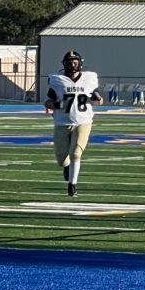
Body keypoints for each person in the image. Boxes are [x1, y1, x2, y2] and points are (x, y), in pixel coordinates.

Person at [44, 50, 103, 197]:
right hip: (62, 122)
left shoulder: (89, 78)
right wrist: (55, 104)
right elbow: (48, 101)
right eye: (69, 62)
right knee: (61, 159)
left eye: (75, 62)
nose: (72, 64)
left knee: (76, 153)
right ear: (65, 64)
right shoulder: (57, 80)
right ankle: (67, 166)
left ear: (80, 63)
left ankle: (72, 185)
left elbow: (99, 99)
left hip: (84, 120)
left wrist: (98, 99)